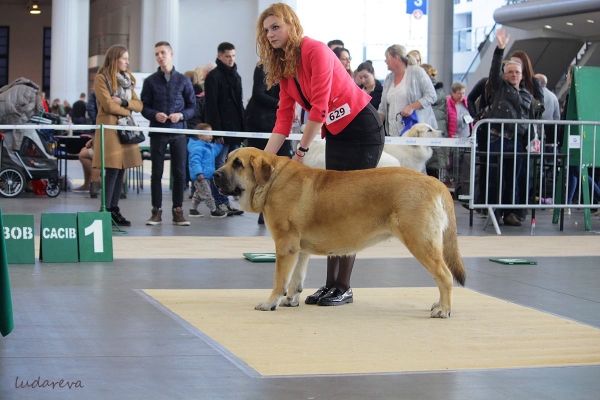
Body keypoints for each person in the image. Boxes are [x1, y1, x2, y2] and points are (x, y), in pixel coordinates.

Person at [257, 3, 385, 306]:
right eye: (266, 30)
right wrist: (262, 160)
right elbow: (283, 119)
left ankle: (344, 287)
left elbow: (320, 108)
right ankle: (330, 285)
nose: (270, 34)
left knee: (350, 206)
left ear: (291, 25)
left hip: (362, 129)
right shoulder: (285, 69)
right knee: (333, 207)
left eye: (276, 27)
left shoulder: (314, 50)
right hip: (338, 134)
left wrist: (301, 151)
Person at [141, 41, 196, 226]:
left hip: (179, 132)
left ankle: (178, 211)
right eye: (157, 54)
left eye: (163, 53)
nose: (160, 56)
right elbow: (144, 107)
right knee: (156, 173)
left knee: (179, 172)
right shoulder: (150, 81)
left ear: (171, 54)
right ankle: (156, 211)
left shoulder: (183, 80)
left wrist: (180, 115)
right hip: (158, 132)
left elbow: (192, 107)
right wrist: (154, 114)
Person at [486, 28, 534, 227]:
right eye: (510, 72)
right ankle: (494, 213)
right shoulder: (499, 87)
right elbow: (494, 69)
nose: (514, 75)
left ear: (522, 76)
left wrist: (532, 140)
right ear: (505, 76)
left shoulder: (527, 96)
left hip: (516, 141)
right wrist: (500, 48)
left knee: (511, 179)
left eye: (517, 72)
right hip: (498, 138)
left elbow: (529, 121)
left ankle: (508, 213)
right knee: (496, 178)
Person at [90, 44, 143, 226]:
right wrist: (128, 109)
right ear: (115, 59)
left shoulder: (127, 80)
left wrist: (123, 102)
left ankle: (114, 209)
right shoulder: (100, 79)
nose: (128, 62)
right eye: (125, 58)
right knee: (112, 169)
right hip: (110, 129)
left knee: (122, 169)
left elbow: (139, 105)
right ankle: (106, 211)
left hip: (124, 129)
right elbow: (107, 105)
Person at [203, 42, 245, 216]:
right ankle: (219, 201)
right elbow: (211, 105)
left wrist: (243, 128)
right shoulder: (213, 76)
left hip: (236, 128)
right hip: (222, 130)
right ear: (219, 56)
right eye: (228, 56)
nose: (231, 59)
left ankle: (227, 201)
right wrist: (217, 130)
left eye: (233, 56)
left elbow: (239, 103)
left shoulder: (236, 75)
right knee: (220, 167)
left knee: (232, 166)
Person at [378, 44, 437, 137]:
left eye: (387, 57)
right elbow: (382, 109)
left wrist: (411, 107)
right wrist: (372, 125)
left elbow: (431, 96)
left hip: (417, 134)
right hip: (393, 135)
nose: (385, 61)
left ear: (396, 58)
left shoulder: (417, 72)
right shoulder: (388, 79)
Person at [187, 123, 228, 218]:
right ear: (200, 136)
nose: (210, 135)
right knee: (207, 194)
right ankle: (214, 210)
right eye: (208, 133)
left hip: (206, 176)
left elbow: (215, 153)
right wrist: (198, 172)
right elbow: (195, 161)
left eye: (211, 133)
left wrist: (219, 145)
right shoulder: (197, 148)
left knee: (198, 194)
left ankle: (193, 210)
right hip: (200, 176)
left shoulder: (208, 146)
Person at [421, 63, 449, 180]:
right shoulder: (439, 90)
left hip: (432, 130)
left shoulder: (427, 91)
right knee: (434, 167)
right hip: (437, 130)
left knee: (430, 166)